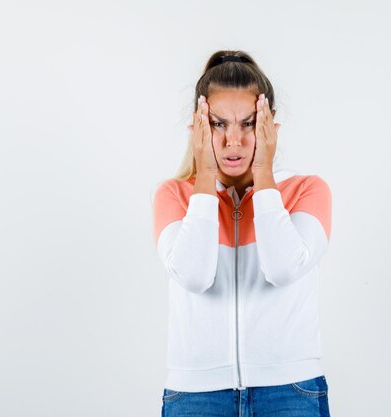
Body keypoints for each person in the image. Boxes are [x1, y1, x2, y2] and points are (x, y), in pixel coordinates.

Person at [151, 50, 333, 417]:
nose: (233, 140)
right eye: (218, 124)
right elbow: (194, 276)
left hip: (291, 390)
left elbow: (282, 269)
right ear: (199, 126)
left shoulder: (307, 190)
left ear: (270, 126)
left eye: (248, 124)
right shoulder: (175, 195)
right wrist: (204, 175)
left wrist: (264, 172)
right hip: (196, 395)